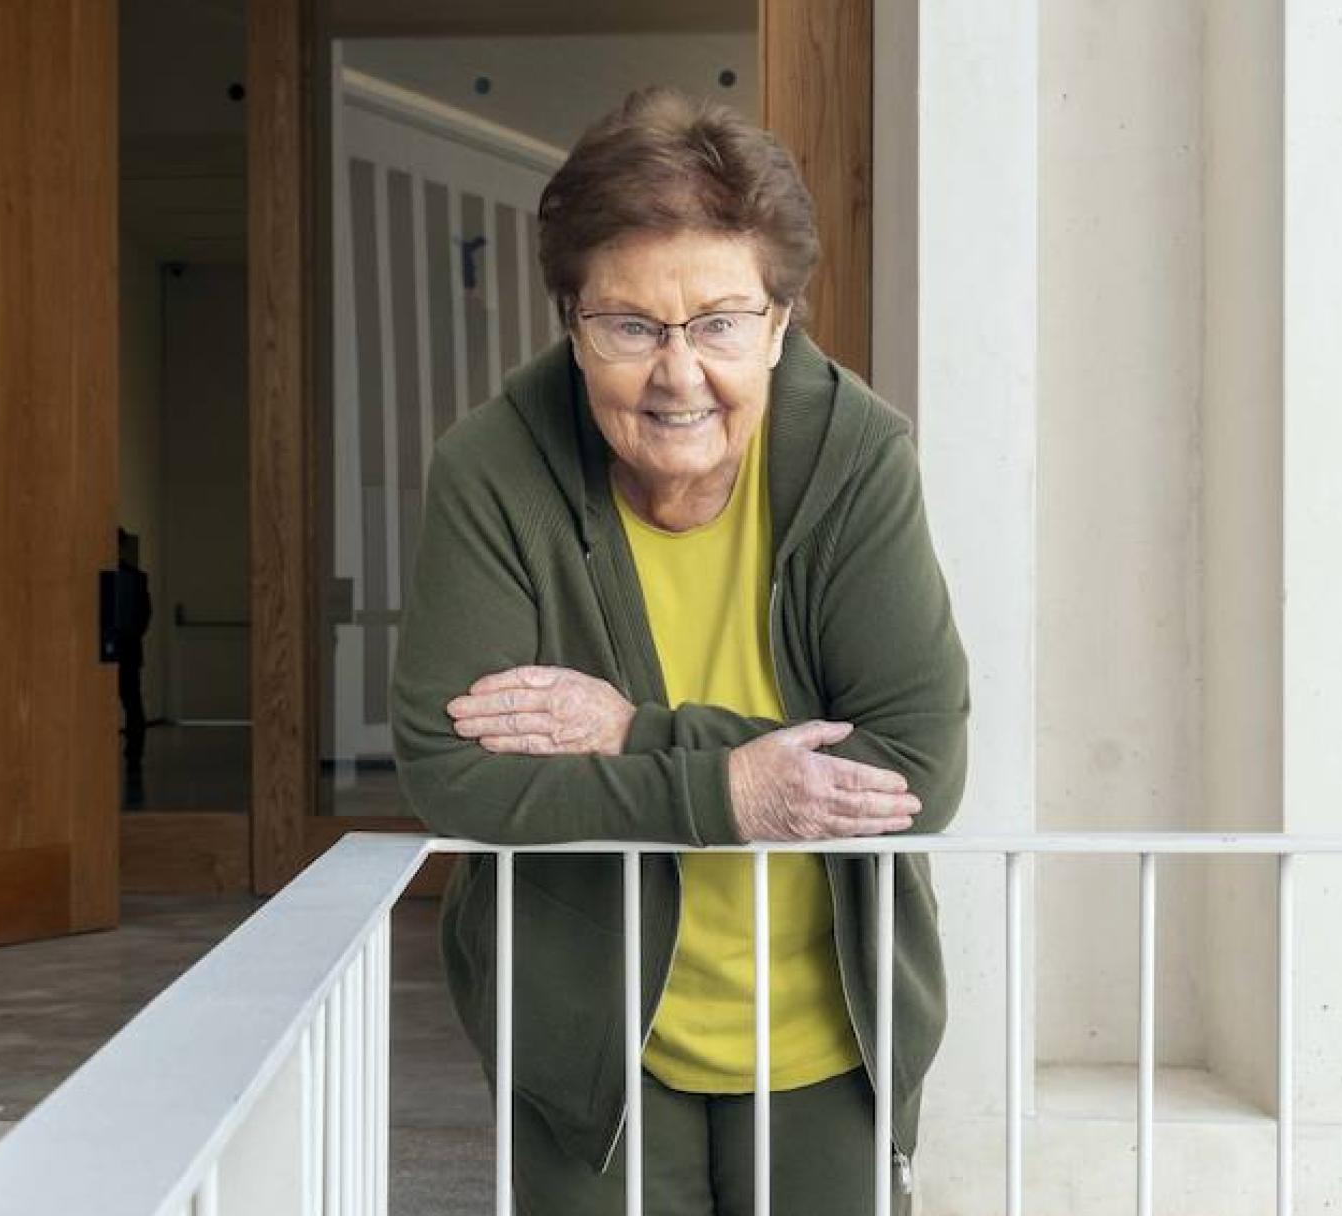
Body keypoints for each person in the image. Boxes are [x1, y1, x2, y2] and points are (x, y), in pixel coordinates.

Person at [390, 87, 969, 1216]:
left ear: (779, 324)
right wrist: (730, 783)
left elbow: (919, 773)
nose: (677, 373)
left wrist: (631, 737)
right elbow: (450, 772)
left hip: (829, 1030)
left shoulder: (856, 457)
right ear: (571, 320)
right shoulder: (492, 469)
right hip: (584, 1037)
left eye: (718, 322)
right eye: (629, 326)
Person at [115, 527, 153, 806]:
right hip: (127, 649)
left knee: (131, 703)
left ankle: (134, 757)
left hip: (123, 649)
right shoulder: (135, 579)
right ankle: (134, 757)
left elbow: (142, 616)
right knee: (132, 703)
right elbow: (143, 617)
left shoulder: (134, 579)